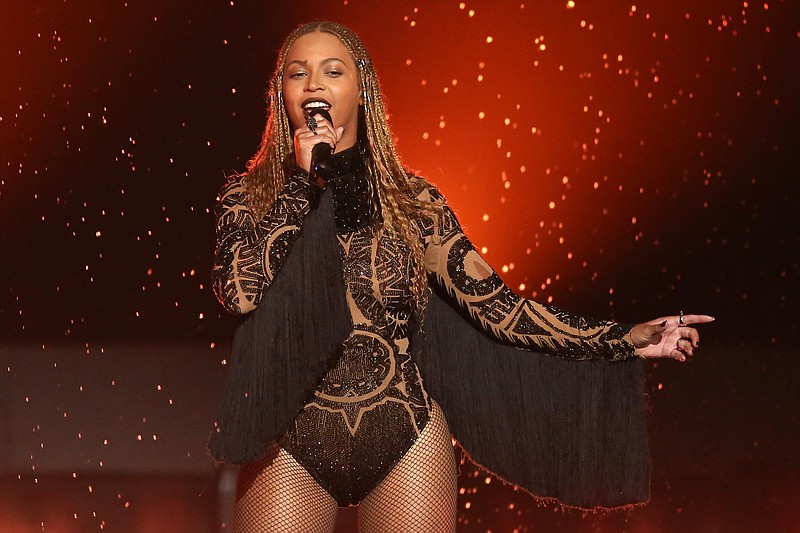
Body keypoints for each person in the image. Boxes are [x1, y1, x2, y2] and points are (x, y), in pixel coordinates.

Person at [210, 21, 714, 533]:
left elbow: (501, 310)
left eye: (332, 71)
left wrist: (625, 339)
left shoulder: (415, 205)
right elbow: (240, 293)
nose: (314, 84)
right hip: (291, 437)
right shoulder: (248, 199)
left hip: (405, 436)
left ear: (360, 91)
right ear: (283, 96)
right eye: (299, 74)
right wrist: (300, 184)